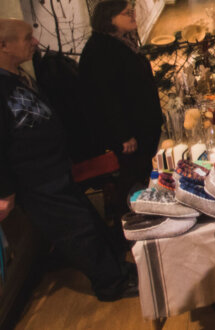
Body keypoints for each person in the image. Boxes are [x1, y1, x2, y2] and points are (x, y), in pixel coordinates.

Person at [1, 19, 137, 301]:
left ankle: (118, 270)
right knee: (77, 232)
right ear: (3, 46)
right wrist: (5, 191)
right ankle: (111, 284)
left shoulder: (17, 76)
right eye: (27, 38)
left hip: (56, 169)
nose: (35, 42)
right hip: (35, 180)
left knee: (89, 222)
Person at [79, 0, 162, 216]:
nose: (133, 15)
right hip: (128, 137)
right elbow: (105, 98)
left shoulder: (120, 41)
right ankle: (130, 221)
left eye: (132, 11)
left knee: (139, 175)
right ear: (109, 20)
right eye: (126, 13)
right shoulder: (100, 51)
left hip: (140, 128)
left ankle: (142, 213)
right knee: (129, 181)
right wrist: (123, 135)